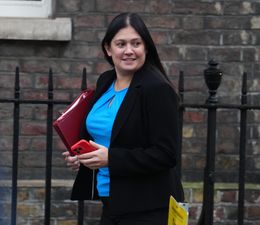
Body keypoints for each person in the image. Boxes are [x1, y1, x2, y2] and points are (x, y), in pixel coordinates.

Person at [63, 12, 184, 225]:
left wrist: (111, 159)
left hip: (148, 208)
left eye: (136, 43)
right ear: (108, 49)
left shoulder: (157, 89)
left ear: (146, 47)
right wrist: (82, 156)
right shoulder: (105, 81)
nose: (129, 51)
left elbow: (166, 154)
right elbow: (107, 136)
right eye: (121, 44)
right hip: (111, 202)